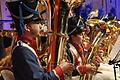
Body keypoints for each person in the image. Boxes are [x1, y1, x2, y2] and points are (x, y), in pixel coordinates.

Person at [6, 0, 74, 80]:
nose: (41, 26)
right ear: (27, 27)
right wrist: (60, 69)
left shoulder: (24, 47)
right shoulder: (22, 50)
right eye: (38, 22)